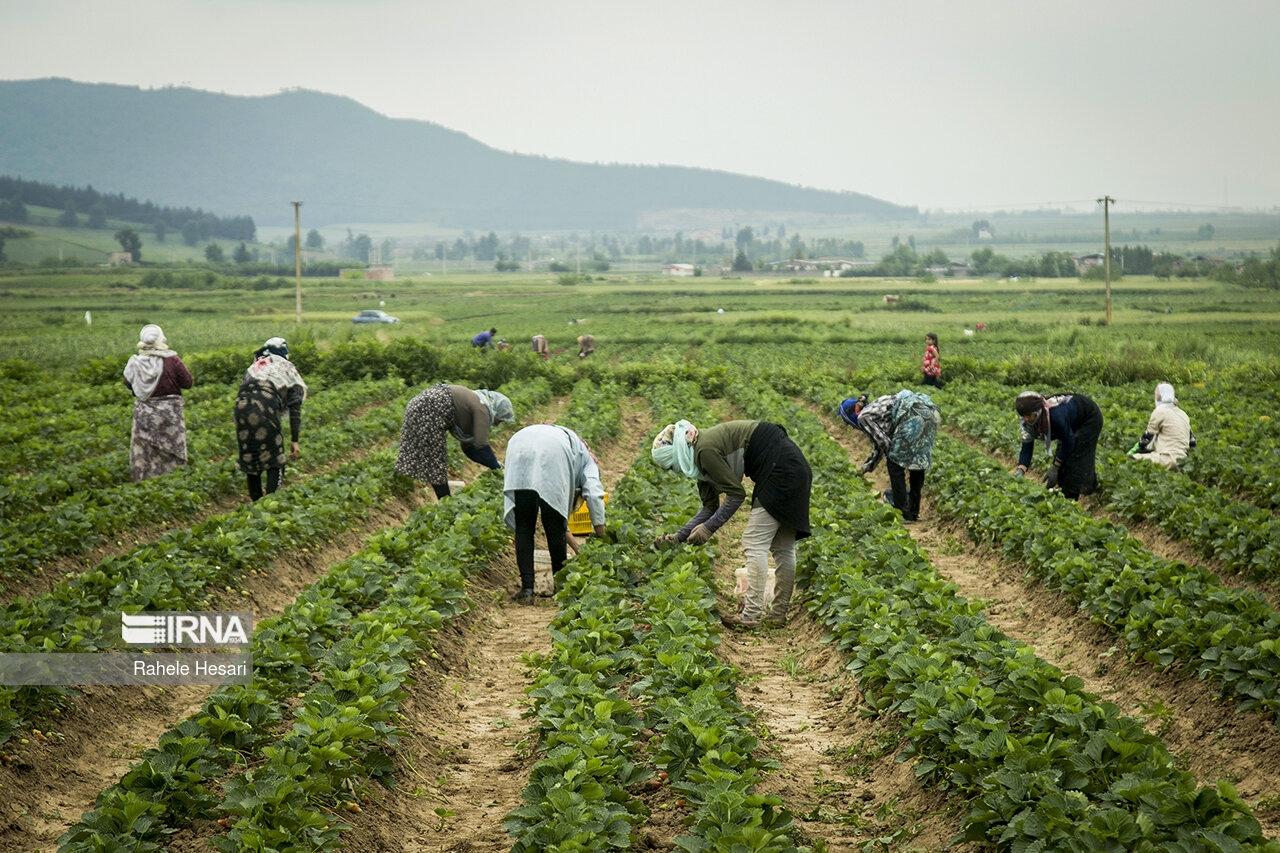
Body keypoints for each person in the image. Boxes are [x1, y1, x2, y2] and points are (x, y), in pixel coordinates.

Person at [651, 419, 811, 630]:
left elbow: (736, 495)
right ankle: (777, 614)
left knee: (754, 543)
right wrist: (678, 537)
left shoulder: (704, 451)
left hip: (781, 470)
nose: (676, 471)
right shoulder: (699, 457)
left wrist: (709, 528)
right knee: (783, 546)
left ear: (678, 453)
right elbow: (709, 507)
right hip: (794, 467)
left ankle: (750, 616)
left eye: (672, 465)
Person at [503, 424, 606, 604]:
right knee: (554, 527)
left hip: (518, 445)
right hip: (552, 453)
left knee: (524, 526)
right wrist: (601, 532)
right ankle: (560, 587)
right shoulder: (589, 462)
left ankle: (527, 589)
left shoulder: (570, 440)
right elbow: (595, 494)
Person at [396, 383, 513, 498]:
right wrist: (497, 468)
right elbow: (481, 445)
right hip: (429, 408)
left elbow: (469, 448)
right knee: (435, 462)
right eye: (500, 420)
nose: (497, 424)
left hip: (418, 405)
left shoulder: (475, 402)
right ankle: (444, 501)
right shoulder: (482, 409)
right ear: (497, 411)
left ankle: (442, 499)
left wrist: (492, 464)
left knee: (431, 460)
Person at [839, 390, 940, 522]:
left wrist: (870, 466)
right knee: (917, 459)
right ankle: (913, 511)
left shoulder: (863, 417)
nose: (852, 427)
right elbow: (881, 443)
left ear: (852, 414)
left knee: (894, 465)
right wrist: (867, 467)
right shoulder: (874, 408)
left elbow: (883, 443)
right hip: (929, 413)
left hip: (910, 416)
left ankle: (902, 511)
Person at [234, 337, 306, 501]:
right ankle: (270, 501)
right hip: (264, 409)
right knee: (275, 459)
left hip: (241, 409)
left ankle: (256, 501)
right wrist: (295, 440)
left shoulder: (255, 366)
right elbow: (295, 407)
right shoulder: (286, 367)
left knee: (251, 455)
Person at [122, 324, 194, 481]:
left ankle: (145, 480)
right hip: (170, 414)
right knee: (171, 448)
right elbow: (187, 382)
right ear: (161, 339)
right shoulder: (172, 360)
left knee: (146, 449)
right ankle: (172, 479)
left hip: (144, 414)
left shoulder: (135, 362)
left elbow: (128, 383)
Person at [1014, 391, 1104, 500]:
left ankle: (1071, 497)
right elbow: (1027, 447)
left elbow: (1069, 441)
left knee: (1075, 457)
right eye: (1024, 416)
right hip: (1070, 421)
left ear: (1037, 411)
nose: (1026, 419)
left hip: (1089, 418)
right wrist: (1021, 469)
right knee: (1063, 454)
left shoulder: (1055, 415)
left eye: (1029, 416)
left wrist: (1055, 467)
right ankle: (1062, 490)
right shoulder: (1027, 422)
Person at [1129, 382, 1194, 469]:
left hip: (1167, 459)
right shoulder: (1183, 414)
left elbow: (1146, 439)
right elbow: (1192, 442)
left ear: (1159, 397)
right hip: (1183, 461)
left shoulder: (1160, 411)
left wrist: (1132, 452)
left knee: (1131, 460)